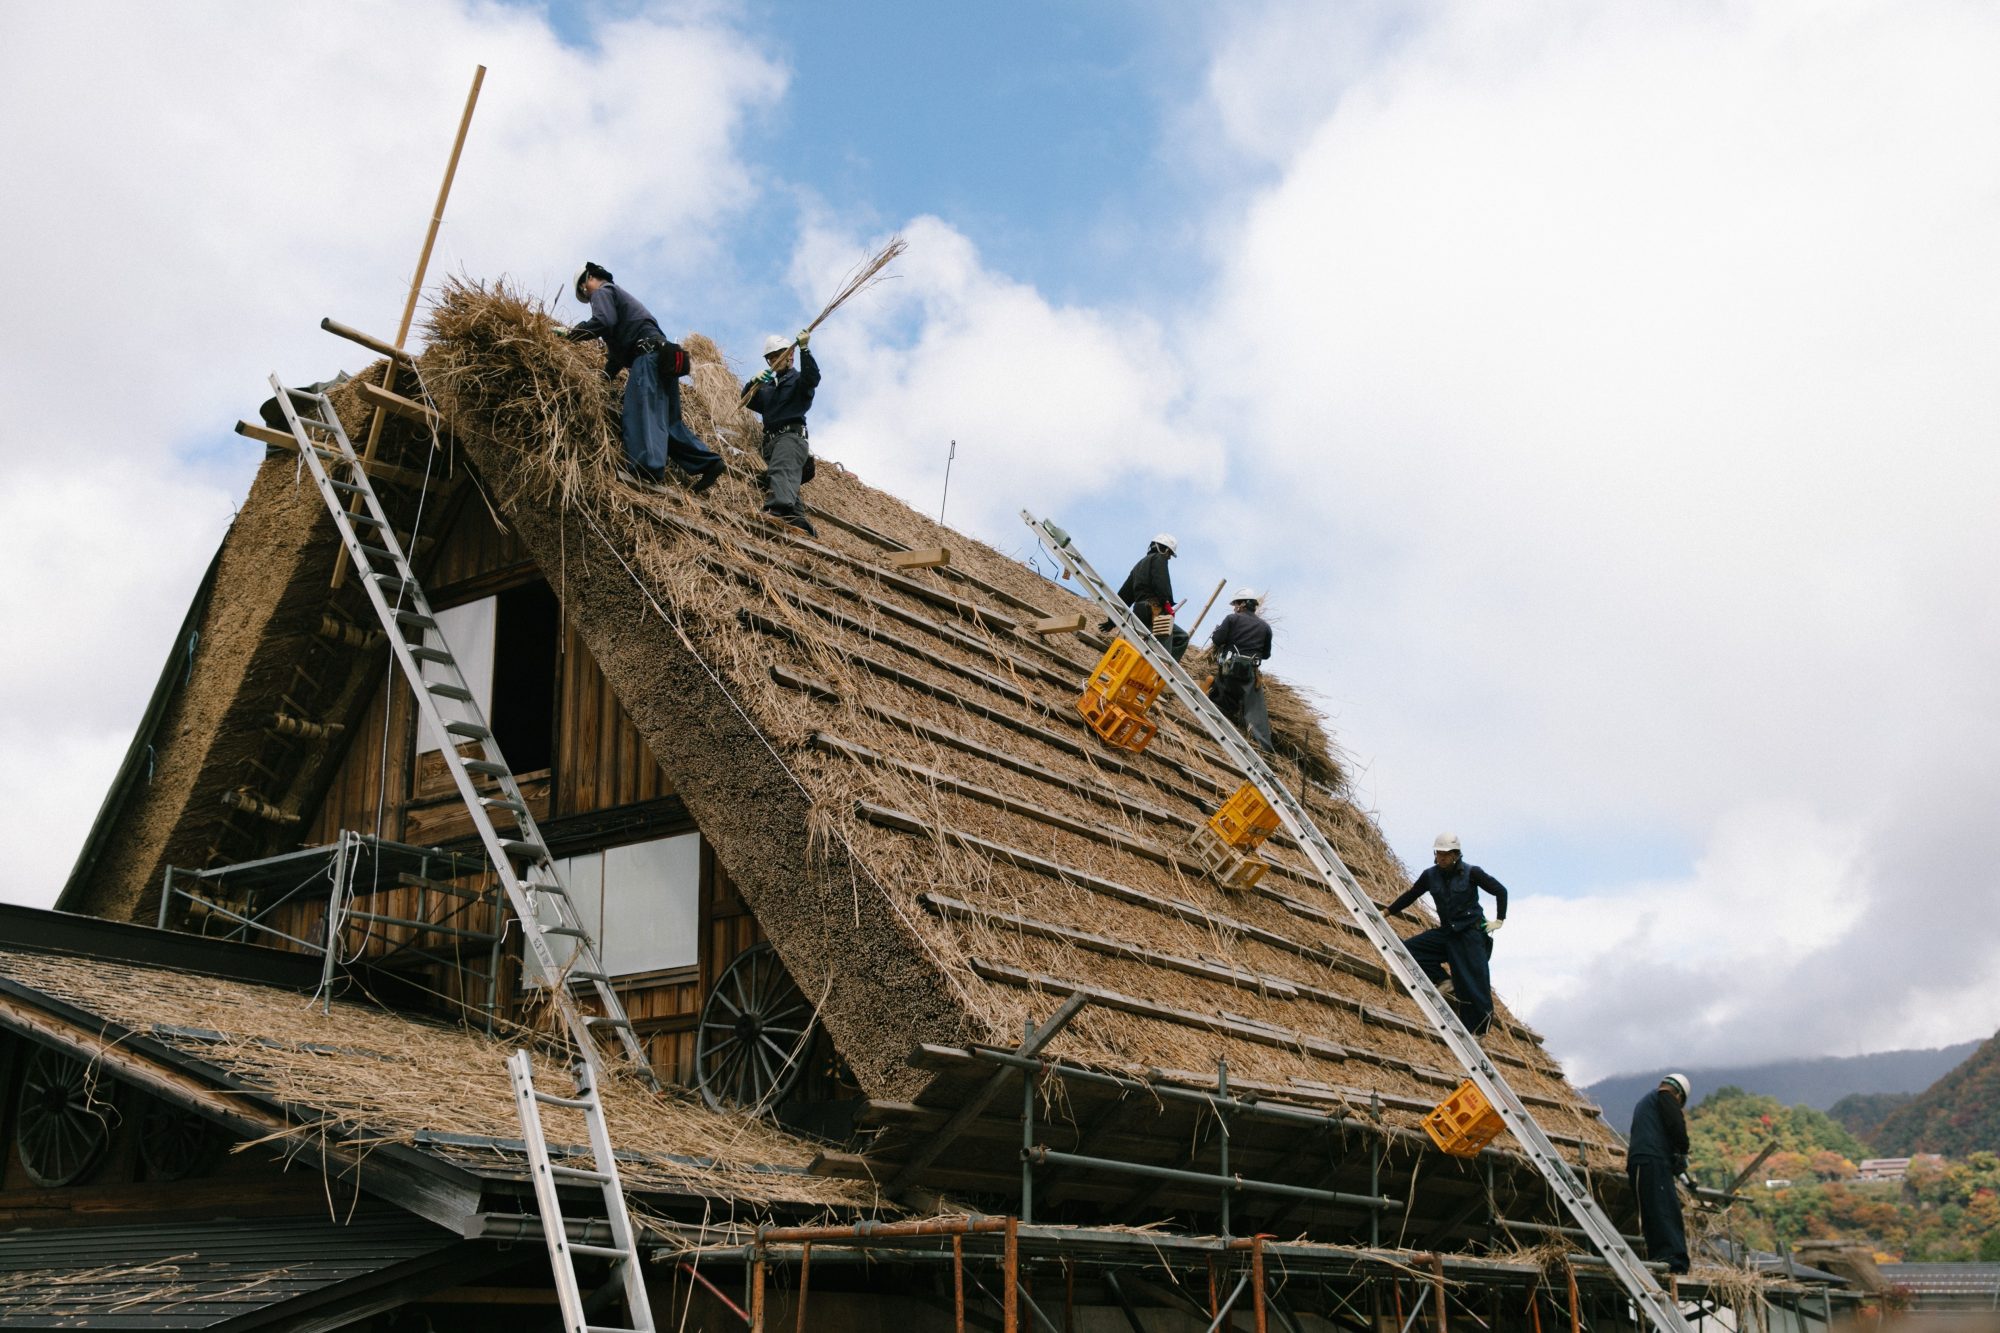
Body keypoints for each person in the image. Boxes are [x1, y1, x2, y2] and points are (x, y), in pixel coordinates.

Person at [566, 262, 724, 490]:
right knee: (669, 421)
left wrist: (573, 334)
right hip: (664, 356)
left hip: (647, 359)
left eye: (583, 291)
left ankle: (646, 468)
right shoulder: (623, 303)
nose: (587, 296)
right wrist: (603, 378)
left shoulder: (603, 291)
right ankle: (708, 462)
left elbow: (603, 321)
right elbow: (618, 356)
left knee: (641, 410)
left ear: (589, 278)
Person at [1383, 833, 1509, 1035]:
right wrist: (1388, 911)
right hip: (1448, 933)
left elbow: (1500, 891)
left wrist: (1500, 920)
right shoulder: (1430, 875)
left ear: (1455, 855)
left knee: (1475, 983)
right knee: (1411, 949)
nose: (1440, 858)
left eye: (1445, 854)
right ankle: (1443, 980)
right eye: (1438, 853)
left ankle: (1479, 1031)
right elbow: (1411, 895)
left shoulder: (1472, 873)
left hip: (1470, 934)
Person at [744, 331, 820, 535]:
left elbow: (812, 378)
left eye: (779, 355)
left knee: (781, 471)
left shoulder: (798, 381)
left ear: (790, 355)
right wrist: (753, 383)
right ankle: (798, 520)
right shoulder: (769, 387)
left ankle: (774, 510)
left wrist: (805, 349)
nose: (774, 360)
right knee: (784, 478)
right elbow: (748, 401)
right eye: (771, 358)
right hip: (771, 442)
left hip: (790, 438)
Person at [1626, 1073, 1693, 1274]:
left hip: (1639, 1163)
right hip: (1653, 1162)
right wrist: (1682, 1149)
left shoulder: (1645, 1103)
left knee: (1652, 1214)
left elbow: (1658, 1133)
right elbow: (1676, 1126)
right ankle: (1675, 1262)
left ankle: (1660, 1258)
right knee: (1665, 1210)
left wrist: (1674, 1160)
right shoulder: (1665, 1095)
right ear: (1679, 1094)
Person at [1206, 589, 1273, 746]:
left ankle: (1217, 721)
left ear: (1243, 604)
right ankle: (1263, 743)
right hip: (1249, 674)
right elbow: (1266, 655)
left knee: (1220, 695)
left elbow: (1217, 640)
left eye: (1236, 603)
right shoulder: (1265, 627)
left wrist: (1219, 633)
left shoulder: (1232, 619)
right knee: (1257, 711)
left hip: (1228, 671)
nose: (1234, 607)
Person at [1112, 534, 1190, 659]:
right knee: (1164, 646)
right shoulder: (1160, 558)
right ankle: (1160, 672)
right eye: (1169, 553)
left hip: (1140, 610)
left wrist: (1111, 621)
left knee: (1182, 637)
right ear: (1163, 548)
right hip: (1153, 610)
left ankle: (1165, 667)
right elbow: (1161, 583)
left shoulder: (1139, 565)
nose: (1169, 557)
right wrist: (1166, 603)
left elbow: (1125, 594)